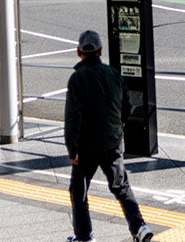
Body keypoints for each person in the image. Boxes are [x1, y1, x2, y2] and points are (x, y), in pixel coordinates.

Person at [64, 31, 153, 242]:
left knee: (79, 191)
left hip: (86, 146)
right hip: (112, 142)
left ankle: (84, 236)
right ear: (100, 51)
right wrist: (117, 126)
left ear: (79, 52)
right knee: (121, 187)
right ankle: (140, 227)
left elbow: (73, 117)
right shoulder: (114, 74)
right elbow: (127, 107)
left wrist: (72, 148)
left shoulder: (77, 78)